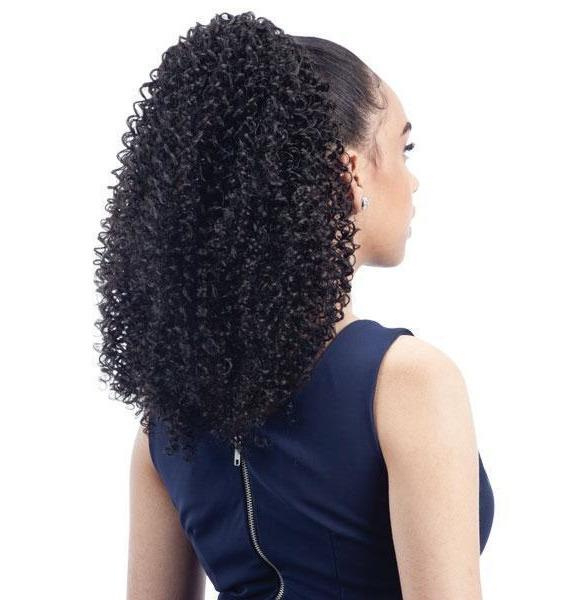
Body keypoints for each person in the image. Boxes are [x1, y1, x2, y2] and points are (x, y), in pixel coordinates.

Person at [94, 11, 494, 599]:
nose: (412, 182)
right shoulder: (407, 382)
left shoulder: (167, 423)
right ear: (348, 173)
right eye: (404, 149)